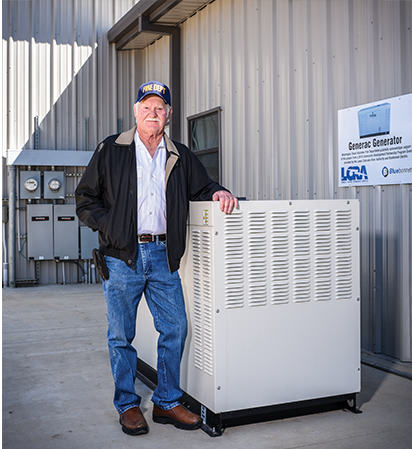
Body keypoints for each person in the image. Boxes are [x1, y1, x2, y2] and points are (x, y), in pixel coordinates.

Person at [75, 81, 238, 436]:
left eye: (159, 108)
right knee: (121, 335)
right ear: (136, 112)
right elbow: (85, 200)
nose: (153, 113)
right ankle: (128, 405)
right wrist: (111, 228)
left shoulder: (179, 153)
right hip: (122, 257)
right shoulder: (112, 149)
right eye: (146, 107)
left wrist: (219, 191)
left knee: (176, 327)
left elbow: (203, 185)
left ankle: (166, 401)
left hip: (164, 255)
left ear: (169, 114)